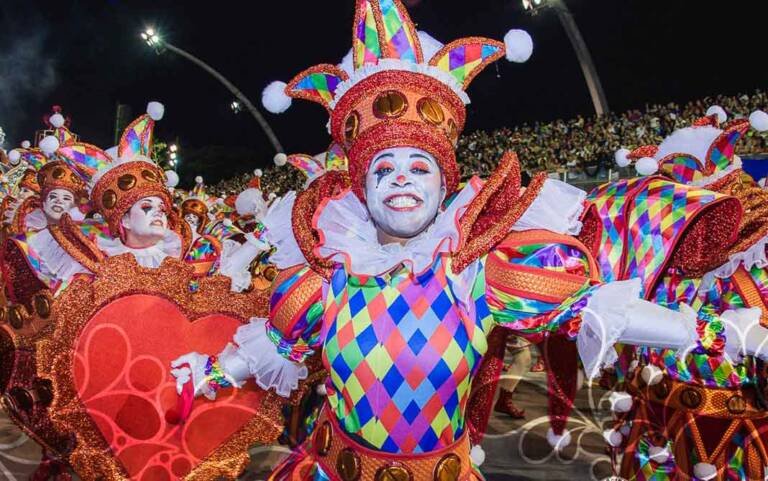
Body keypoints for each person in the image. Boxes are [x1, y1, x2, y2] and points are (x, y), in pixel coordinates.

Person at [169, 3, 704, 481]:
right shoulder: (323, 280)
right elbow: (274, 344)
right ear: (362, 187)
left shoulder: (478, 276)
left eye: (419, 167)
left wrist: (706, 332)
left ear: (444, 184)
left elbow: (594, 310)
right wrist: (209, 372)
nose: (402, 178)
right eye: (385, 168)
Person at [591, 107, 768, 480]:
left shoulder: (758, 258)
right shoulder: (658, 257)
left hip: (733, 428)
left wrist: (752, 337)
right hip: (655, 420)